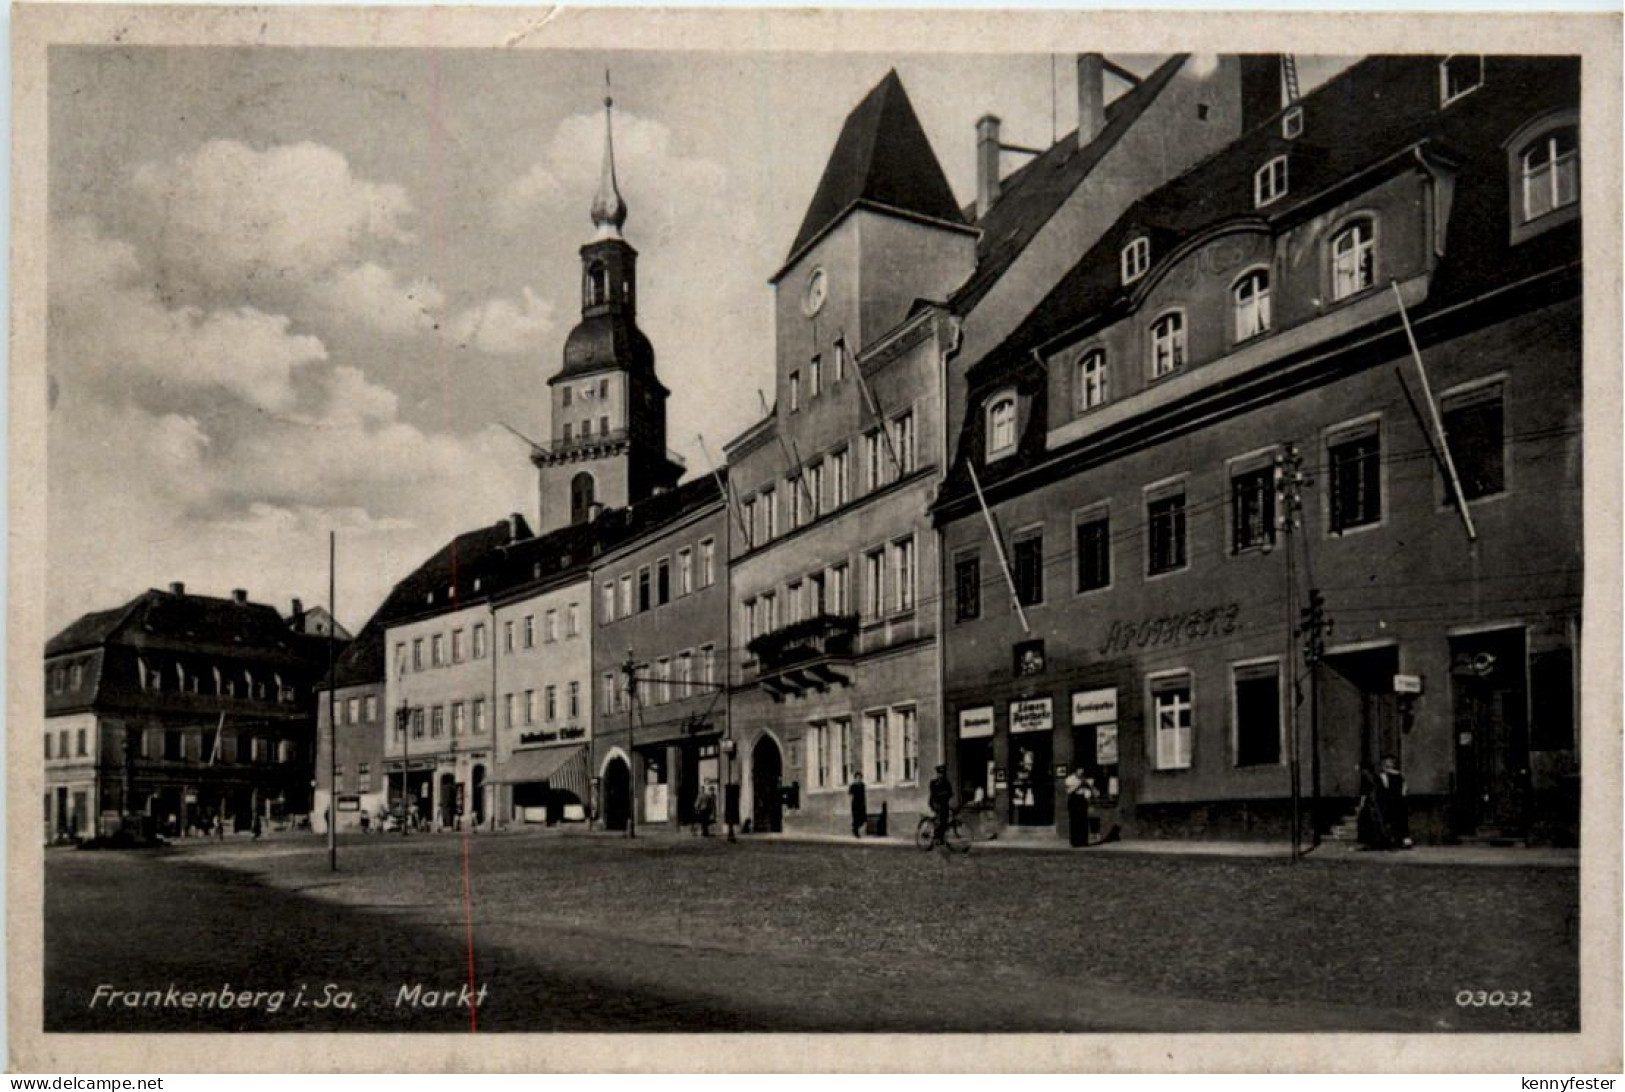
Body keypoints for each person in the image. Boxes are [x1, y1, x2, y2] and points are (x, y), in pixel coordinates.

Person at [1374, 754, 1413, 849]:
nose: (1387, 765)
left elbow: (1404, 786)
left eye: (1390, 763)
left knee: (1400, 821)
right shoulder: (1381, 776)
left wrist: (1403, 795)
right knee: (1390, 821)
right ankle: (1392, 840)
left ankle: (1402, 839)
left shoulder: (1397, 775)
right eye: (1385, 763)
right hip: (1387, 802)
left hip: (1397, 801)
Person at [1065, 766, 1095, 848]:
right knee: (1074, 821)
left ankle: (1083, 841)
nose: (1081, 773)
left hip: (1082, 800)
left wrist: (1089, 797)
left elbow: (1087, 791)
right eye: (1079, 772)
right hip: (1074, 799)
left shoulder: (1084, 779)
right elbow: (1069, 791)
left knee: (1083, 820)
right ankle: (1075, 841)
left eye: (1082, 772)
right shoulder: (1069, 779)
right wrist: (1079, 785)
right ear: (1075, 771)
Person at [928, 764, 953, 843]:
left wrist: (945, 794)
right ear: (937, 774)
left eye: (942, 774)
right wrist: (944, 794)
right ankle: (936, 836)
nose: (941, 775)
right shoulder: (933, 783)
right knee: (940, 818)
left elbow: (950, 793)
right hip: (935, 803)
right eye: (939, 773)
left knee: (945, 820)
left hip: (944, 804)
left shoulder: (946, 783)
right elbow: (934, 794)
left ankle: (940, 836)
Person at [848, 771, 867, 838]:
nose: (859, 779)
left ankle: (854, 827)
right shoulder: (853, 786)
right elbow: (850, 795)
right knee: (856, 818)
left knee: (863, 819)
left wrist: (864, 803)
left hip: (862, 804)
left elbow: (864, 795)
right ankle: (856, 832)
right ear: (855, 778)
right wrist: (851, 804)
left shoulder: (863, 785)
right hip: (855, 804)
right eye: (857, 778)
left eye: (860, 778)